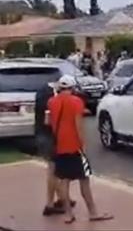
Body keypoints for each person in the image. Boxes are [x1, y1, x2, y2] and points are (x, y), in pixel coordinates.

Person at [48, 75, 113, 224]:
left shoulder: (52, 102)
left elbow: (50, 122)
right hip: (74, 146)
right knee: (84, 179)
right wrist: (83, 144)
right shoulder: (76, 102)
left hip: (60, 146)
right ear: (72, 88)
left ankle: (68, 214)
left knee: (64, 180)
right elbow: (78, 126)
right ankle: (93, 212)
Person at [35, 81, 76, 216]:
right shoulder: (50, 98)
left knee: (54, 170)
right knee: (53, 171)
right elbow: (48, 121)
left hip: (42, 135)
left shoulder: (43, 93)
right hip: (49, 137)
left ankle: (62, 199)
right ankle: (50, 204)